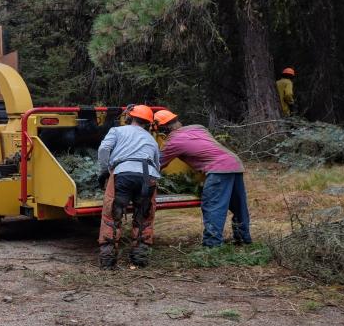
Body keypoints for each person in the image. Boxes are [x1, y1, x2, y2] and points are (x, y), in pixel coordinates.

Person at [154, 110, 252, 247]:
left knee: (213, 206)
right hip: (234, 163)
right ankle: (243, 238)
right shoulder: (199, 128)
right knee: (238, 206)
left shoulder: (173, 142)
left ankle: (212, 245)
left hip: (218, 169)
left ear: (162, 128)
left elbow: (157, 164)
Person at [96, 104, 161, 270]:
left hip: (123, 173)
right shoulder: (151, 139)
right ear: (147, 122)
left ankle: (108, 260)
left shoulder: (117, 131)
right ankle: (140, 257)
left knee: (112, 215)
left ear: (129, 117)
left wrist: (106, 169)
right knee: (144, 216)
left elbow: (104, 148)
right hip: (148, 176)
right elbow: (157, 164)